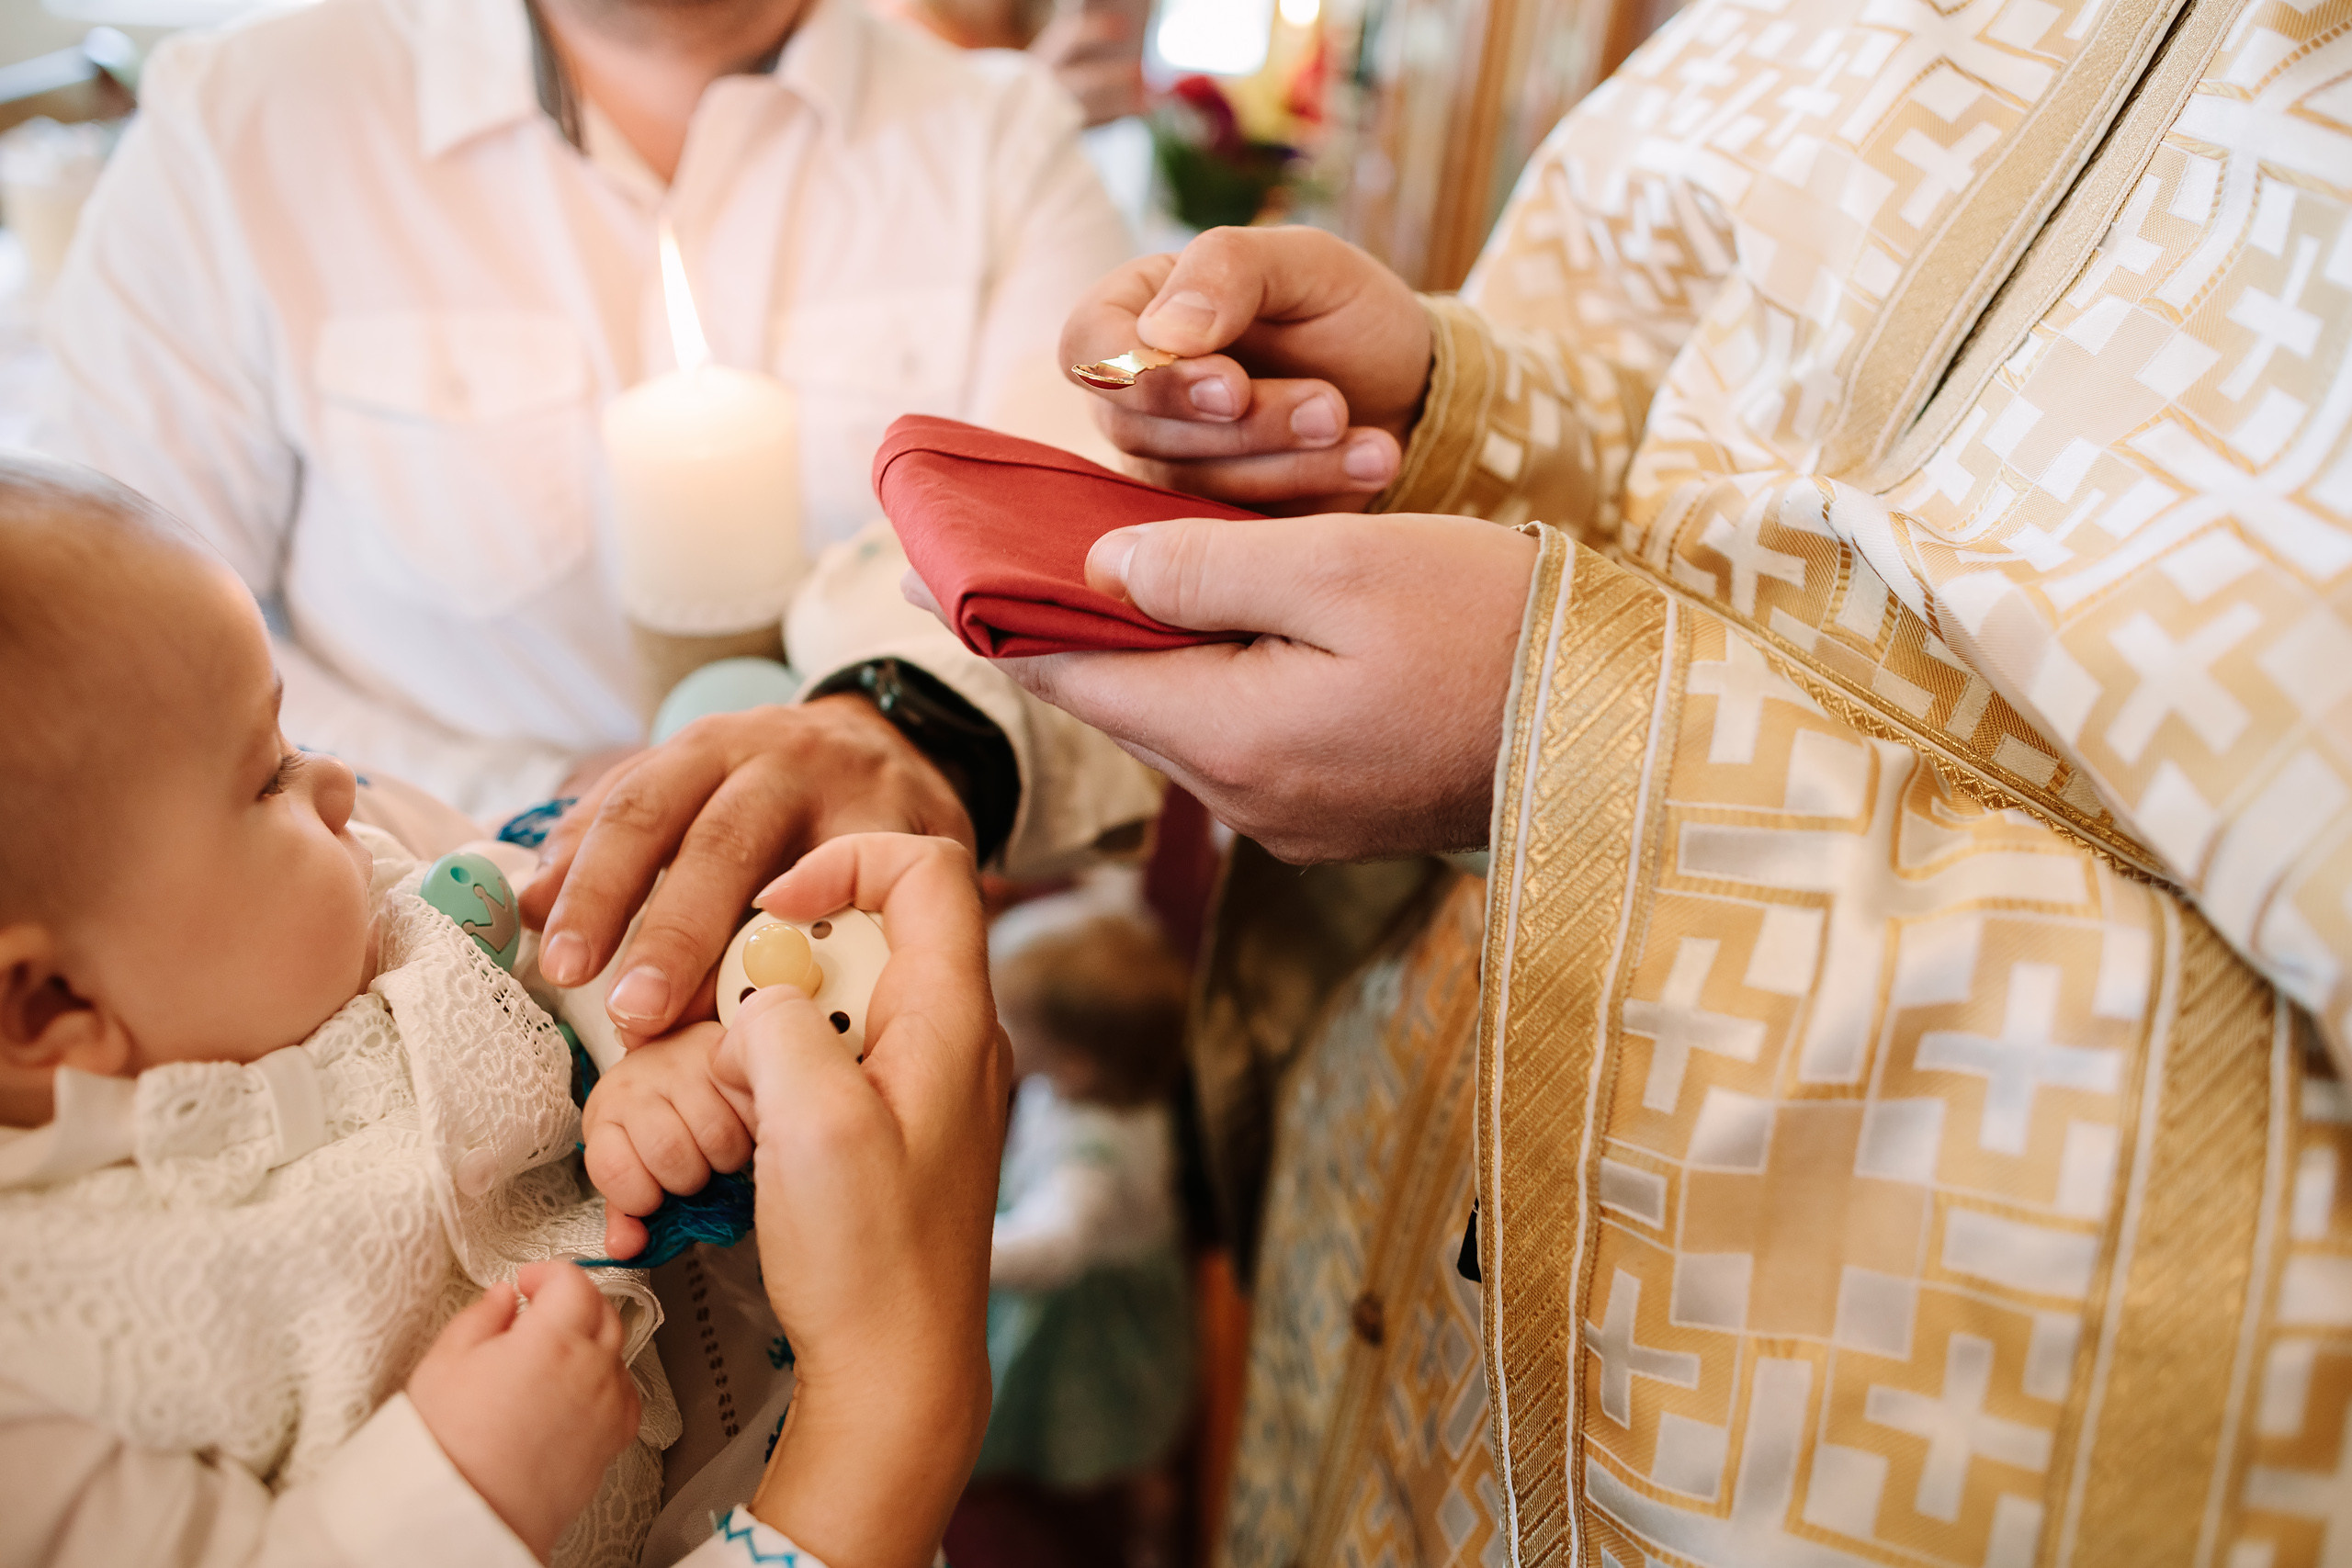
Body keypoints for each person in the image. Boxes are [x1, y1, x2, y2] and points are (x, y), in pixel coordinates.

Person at [952, 4, 2352, 1563]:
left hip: (1821, 1418)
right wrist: (1432, 416)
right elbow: (1695, 434)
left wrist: (1569, 737)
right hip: (1399, 1240)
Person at [0, 462, 1011, 1568]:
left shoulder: (355, 887)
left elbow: (527, 912)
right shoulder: (38, 1388)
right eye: (266, 778)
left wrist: (633, 1047)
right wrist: (457, 1491)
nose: (335, 783)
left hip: (757, 1393)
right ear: (49, 1007)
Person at [32, 0, 1160, 913]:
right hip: (385, 942)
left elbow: (1096, 575)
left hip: (858, 925)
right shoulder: (238, 126)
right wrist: (542, 803)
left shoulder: (997, 142)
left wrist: (892, 736)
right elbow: (110, 672)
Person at [977, 908, 1192, 1502]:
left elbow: (1053, 1250)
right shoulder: (1112, 1078)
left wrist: (952, 1249)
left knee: (1079, 1407)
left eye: (1006, 1016)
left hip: (1085, 1300)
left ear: (1072, 1064)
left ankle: (1128, 1479)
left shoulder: (1089, 1162)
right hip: (1085, 1236)